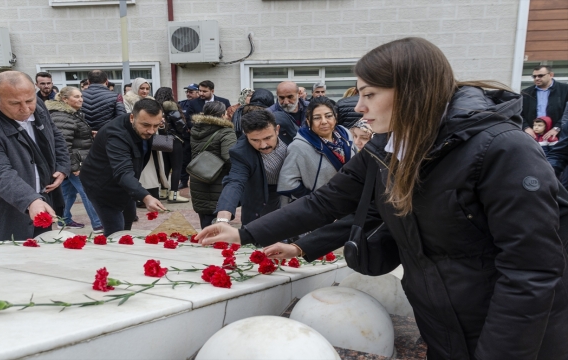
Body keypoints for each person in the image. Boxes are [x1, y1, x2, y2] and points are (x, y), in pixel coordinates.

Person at [197, 37, 568, 360]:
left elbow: (530, 270)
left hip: (508, 334)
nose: (358, 107)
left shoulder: (501, 149)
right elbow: (327, 202)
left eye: (370, 94)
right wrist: (244, 234)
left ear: (413, 91)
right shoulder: (387, 147)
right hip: (442, 325)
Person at [0, 71, 70, 241]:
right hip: (2, 215)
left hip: (40, 205)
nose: (26, 109)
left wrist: (63, 167)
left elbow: (55, 135)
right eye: (15, 103)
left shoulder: (38, 105)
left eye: (29, 100)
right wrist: (31, 200)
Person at [80, 98, 166, 237]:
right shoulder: (116, 135)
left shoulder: (144, 126)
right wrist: (146, 197)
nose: (151, 131)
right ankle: (115, 255)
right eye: (146, 125)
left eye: (156, 125)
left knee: (129, 220)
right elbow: (123, 172)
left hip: (125, 185)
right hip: (102, 186)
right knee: (116, 231)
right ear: (132, 117)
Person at [214, 110, 288, 226]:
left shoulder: (290, 132)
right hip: (262, 195)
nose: (263, 145)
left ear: (277, 129)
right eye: (255, 140)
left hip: (294, 193)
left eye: (268, 138)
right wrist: (222, 220)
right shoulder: (241, 152)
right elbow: (234, 182)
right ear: (245, 134)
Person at [45, 86, 103, 233]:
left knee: (67, 192)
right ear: (65, 99)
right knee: (88, 191)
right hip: (74, 163)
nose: (81, 99)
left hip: (71, 162)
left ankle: (64, 220)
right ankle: (98, 224)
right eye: (76, 97)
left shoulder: (70, 114)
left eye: (81, 96)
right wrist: (74, 167)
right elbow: (63, 144)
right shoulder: (63, 115)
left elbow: (73, 136)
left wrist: (89, 134)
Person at [277, 97, 355, 199]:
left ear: (335, 118)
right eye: (317, 118)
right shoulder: (298, 146)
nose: (324, 121)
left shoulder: (346, 135)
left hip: (349, 202)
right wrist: (314, 200)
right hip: (322, 208)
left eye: (328, 116)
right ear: (309, 121)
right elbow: (287, 182)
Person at [190, 101, 237, 228]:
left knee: (204, 218)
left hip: (198, 175)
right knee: (217, 219)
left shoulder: (196, 129)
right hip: (218, 179)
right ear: (223, 115)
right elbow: (229, 157)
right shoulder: (226, 132)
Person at [154, 87, 189, 203]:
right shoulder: (170, 105)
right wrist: (185, 130)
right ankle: (174, 194)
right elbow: (180, 124)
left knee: (165, 167)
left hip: (160, 139)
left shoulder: (156, 106)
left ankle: (163, 192)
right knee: (177, 167)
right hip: (174, 139)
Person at [521, 65, 568, 140]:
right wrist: (526, 127)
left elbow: (567, 113)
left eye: (540, 75)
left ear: (551, 75)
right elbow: (519, 112)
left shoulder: (565, 90)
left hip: (558, 135)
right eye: (534, 76)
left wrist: (557, 128)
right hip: (533, 136)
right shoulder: (526, 93)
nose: (537, 78)